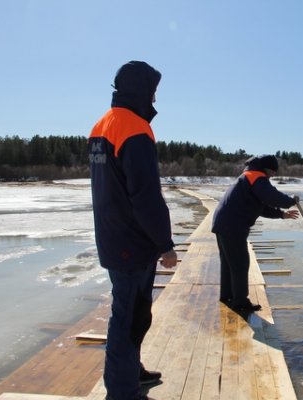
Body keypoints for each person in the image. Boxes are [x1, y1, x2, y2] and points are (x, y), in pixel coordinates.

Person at [88, 60, 178, 400]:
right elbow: (144, 196)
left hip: (113, 236)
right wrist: (165, 243)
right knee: (127, 318)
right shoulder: (135, 129)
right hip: (131, 242)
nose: (156, 97)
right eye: (153, 90)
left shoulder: (102, 125)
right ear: (142, 91)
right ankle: (123, 392)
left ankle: (131, 373)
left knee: (134, 313)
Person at [212, 155, 299, 312]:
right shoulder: (257, 177)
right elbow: (272, 196)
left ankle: (227, 296)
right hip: (232, 225)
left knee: (228, 262)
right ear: (267, 169)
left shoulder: (248, 177)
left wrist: (281, 214)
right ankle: (240, 302)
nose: (273, 176)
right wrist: (290, 200)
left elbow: (261, 206)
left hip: (223, 223)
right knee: (240, 263)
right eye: (273, 172)